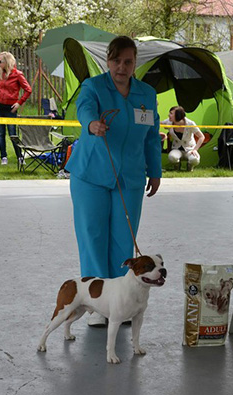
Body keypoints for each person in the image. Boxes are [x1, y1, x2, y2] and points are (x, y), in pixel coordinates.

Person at [65, 36, 162, 326]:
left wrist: (155, 171)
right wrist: (92, 124)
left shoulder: (147, 94)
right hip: (90, 175)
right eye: (116, 60)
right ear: (108, 61)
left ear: (135, 63)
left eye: (128, 61)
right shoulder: (93, 86)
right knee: (93, 239)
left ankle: (122, 306)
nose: (121, 66)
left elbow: (152, 137)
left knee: (123, 243)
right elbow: (84, 110)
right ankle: (97, 308)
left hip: (130, 178)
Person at [0, 51, 32, 165]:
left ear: (6, 62)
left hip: (10, 108)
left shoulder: (18, 74)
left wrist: (19, 103)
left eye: (0, 61)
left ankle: (19, 157)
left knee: (12, 133)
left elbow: (28, 90)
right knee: (0, 132)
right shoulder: (0, 74)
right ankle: (3, 157)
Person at [163, 106, 205, 171]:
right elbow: (157, 123)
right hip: (176, 149)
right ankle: (177, 166)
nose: (169, 115)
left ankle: (190, 166)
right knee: (172, 157)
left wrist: (195, 150)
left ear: (178, 115)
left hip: (189, 149)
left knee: (195, 159)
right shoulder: (168, 121)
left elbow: (201, 137)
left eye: (171, 113)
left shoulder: (190, 123)